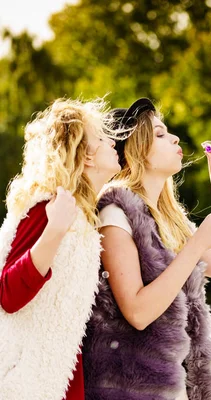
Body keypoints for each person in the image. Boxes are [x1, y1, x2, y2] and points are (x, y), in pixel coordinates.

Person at [83, 98, 211, 400]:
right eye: (161, 133)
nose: (175, 138)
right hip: (131, 391)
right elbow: (138, 313)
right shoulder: (115, 215)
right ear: (137, 149)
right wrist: (197, 245)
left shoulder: (167, 224)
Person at [0, 98, 121, 400]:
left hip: (57, 381)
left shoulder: (81, 219)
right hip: (24, 385)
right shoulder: (47, 207)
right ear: (87, 155)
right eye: (103, 138)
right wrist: (54, 230)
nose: (113, 143)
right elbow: (9, 294)